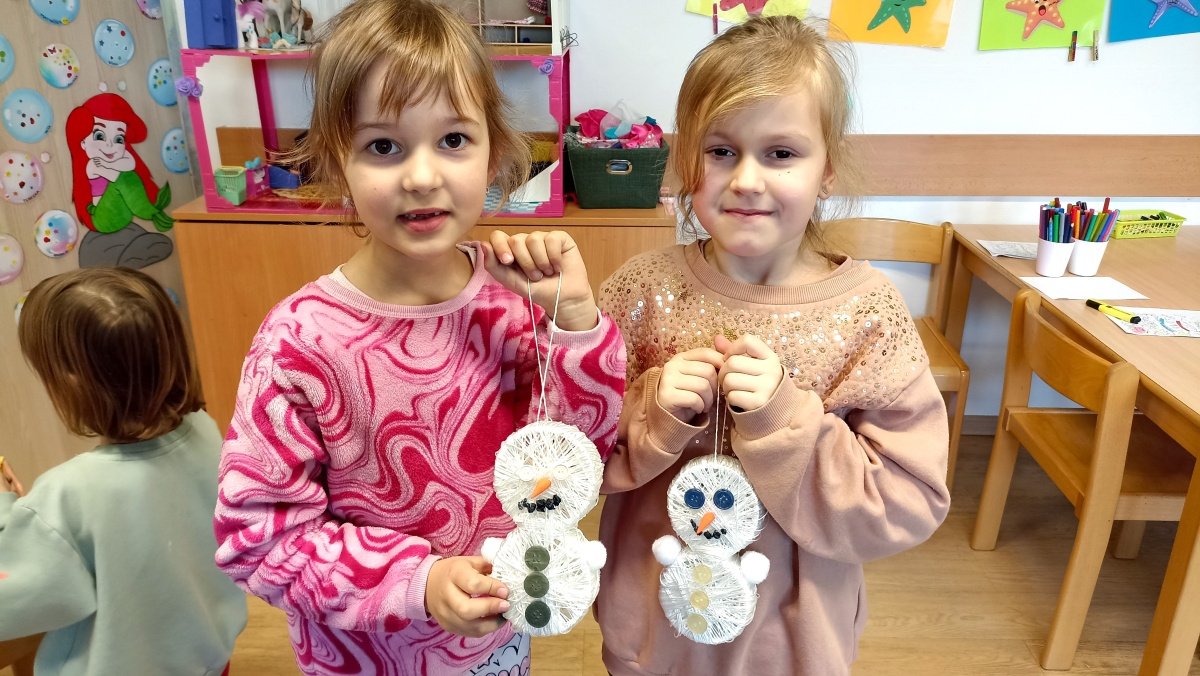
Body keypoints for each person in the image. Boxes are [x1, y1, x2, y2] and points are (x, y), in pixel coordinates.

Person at [212, 1, 626, 674]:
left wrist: (574, 320)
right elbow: (256, 537)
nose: (423, 176)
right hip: (359, 659)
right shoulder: (298, 341)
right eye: (383, 146)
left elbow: (581, 459)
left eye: (454, 140)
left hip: (497, 647)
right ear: (336, 161)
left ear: (495, 151)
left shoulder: (517, 300)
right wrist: (417, 581)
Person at [595, 16, 950, 675]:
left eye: (781, 153)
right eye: (721, 151)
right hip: (652, 633)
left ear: (827, 171)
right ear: (687, 162)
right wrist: (651, 411)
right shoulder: (641, 290)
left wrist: (787, 424)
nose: (747, 180)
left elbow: (907, 501)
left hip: (791, 647)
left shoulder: (869, 316)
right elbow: (570, 445)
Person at [0, 267, 247, 676]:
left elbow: (17, 605)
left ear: (69, 384)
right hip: (206, 658)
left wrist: (11, 515)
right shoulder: (204, 431)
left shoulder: (67, 494)